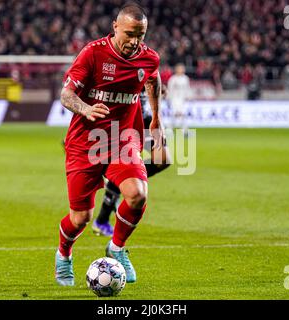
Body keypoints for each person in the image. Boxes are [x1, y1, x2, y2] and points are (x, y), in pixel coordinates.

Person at [55, 3, 164, 286]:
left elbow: (153, 80)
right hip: (85, 142)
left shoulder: (149, 58)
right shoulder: (93, 53)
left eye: (140, 35)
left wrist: (156, 120)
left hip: (123, 139)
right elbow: (66, 94)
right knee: (80, 218)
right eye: (129, 33)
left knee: (138, 193)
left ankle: (116, 248)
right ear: (115, 26)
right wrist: (85, 109)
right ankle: (63, 254)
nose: (134, 41)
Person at [92, 85, 171, 237]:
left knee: (163, 159)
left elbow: (151, 77)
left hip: (146, 116)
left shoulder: (147, 61)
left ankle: (117, 185)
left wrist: (157, 88)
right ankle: (101, 221)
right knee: (126, 164)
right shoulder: (121, 63)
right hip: (126, 118)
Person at [167, 63, 190, 133]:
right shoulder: (173, 79)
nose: (181, 70)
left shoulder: (185, 78)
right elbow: (170, 88)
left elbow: (187, 88)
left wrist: (188, 96)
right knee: (175, 114)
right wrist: (169, 98)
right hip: (174, 99)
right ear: (177, 69)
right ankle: (169, 129)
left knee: (182, 114)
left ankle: (184, 130)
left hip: (182, 99)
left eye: (182, 68)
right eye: (180, 68)